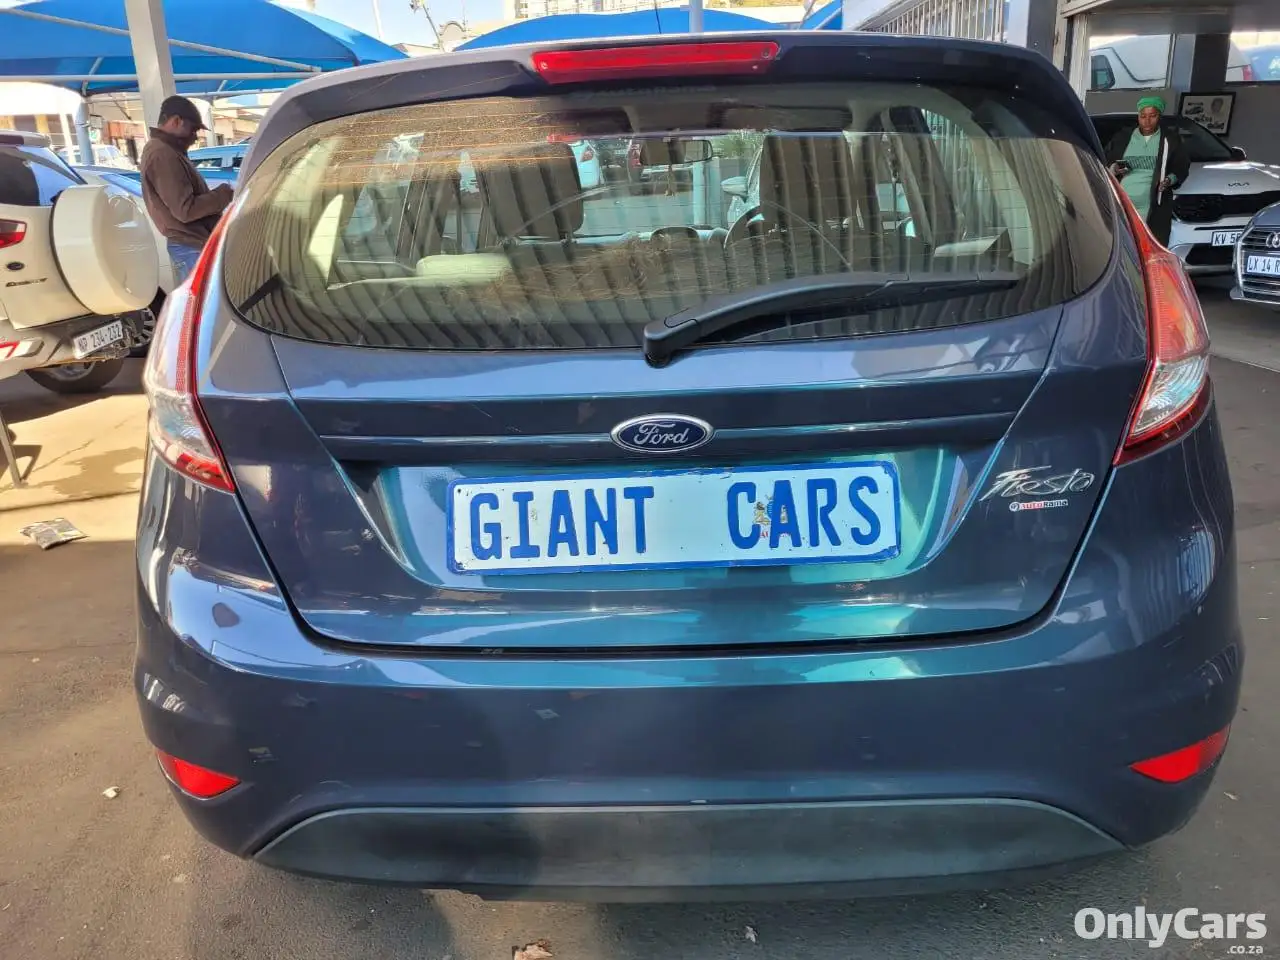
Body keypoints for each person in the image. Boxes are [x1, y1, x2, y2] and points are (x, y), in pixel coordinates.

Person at [139, 95, 233, 283]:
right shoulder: (162, 154)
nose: (195, 136)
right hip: (191, 247)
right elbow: (185, 210)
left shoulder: (167, 150)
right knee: (202, 301)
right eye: (193, 129)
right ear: (176, 121)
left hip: (192, 245)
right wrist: (222, 195)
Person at [1104, 95, 1190, 247]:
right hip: (1122, 201)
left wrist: (1169, 180)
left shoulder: (1169, 139)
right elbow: (1106, 160)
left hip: (1153, 205)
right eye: (1143, 116)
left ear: (1159, 116)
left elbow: (1181, 166)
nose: (1147, 121)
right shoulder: (1124, 137)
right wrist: (1114, 168)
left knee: (1148, 245)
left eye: (1152, 116)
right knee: (1123, 243)